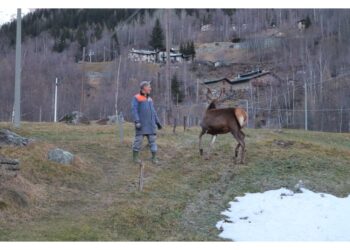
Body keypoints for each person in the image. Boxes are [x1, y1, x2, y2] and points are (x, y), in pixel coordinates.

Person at [131, 81, 162, 164]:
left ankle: (154, 158)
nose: (150, 88)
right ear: (144, 88)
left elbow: (153, 112)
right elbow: (134, 111)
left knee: (153, 142)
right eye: (149, 87)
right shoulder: (136, 98)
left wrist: (157, 122)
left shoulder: (150, 99)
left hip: (151, 125)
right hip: (141, 125)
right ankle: (135, 158)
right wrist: (137, 121)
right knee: (138, 141)